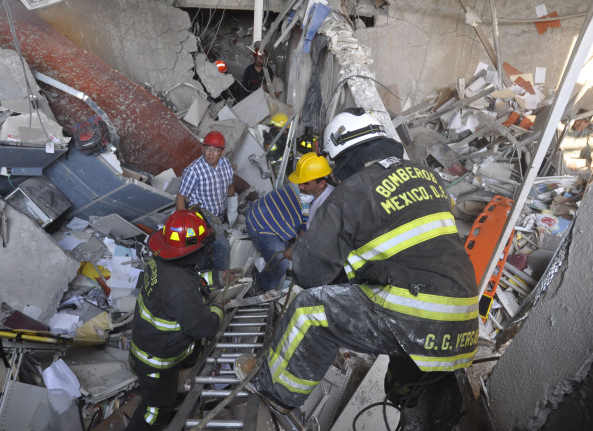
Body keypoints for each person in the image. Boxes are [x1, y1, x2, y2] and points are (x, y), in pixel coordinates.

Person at [236, 108, 479, 413]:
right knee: (400, 349)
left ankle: (275, 391)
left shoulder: (351, 191)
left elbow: (310, 273)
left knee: (310, 310)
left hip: (420, 308)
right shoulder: (429, 177)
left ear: (342, 157)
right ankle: (403, 396)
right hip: (464, 320)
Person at [128, 210, 225, 429]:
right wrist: (218, 310)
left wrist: (219, 278)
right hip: (157, 361)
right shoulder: (179, 287)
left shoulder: (162, 261)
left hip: (146, 345)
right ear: (192, 250)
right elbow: (203, 326)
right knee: (156, 409)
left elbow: (191, 282)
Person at [246, 153, 333, 292]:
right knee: (282, 264)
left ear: (322, 183)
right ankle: (261, 287)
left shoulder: (326, 204)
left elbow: (307, 231)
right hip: (261, 224)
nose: (300, 186)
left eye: (306, 184)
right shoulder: (313, 191)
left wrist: (296, 250)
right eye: (300, 182)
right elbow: (305, 233)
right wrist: (294, 251)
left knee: (290, 256)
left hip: (269, 216)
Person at [176, 131, 237, 270]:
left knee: (206, 248)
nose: (211, 153)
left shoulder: (226, 165)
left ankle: (206, 268)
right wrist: (184, 223)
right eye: (208, 148)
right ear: (202, 149)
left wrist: (232, 208)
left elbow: (231, 186)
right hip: (202, 217)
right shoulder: (193, 171)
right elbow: (181, 197)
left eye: (215, 150)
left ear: (222, 152)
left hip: (219, 214)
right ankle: (220, 279)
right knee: (222, 247)